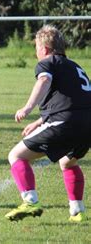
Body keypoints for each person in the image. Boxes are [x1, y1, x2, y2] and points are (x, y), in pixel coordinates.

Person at [5, 25, 90, 223]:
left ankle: (30, 201)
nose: (36, 52)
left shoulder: (47, 63)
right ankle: (77, 211)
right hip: (87, 124)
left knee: (16, 155)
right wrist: (40, 120)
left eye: (36, 47)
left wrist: (27, 108)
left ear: (44, 48)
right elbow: (73, 99)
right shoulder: (74, 66)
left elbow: (43, 81)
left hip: (65, 122)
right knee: (68, 162)